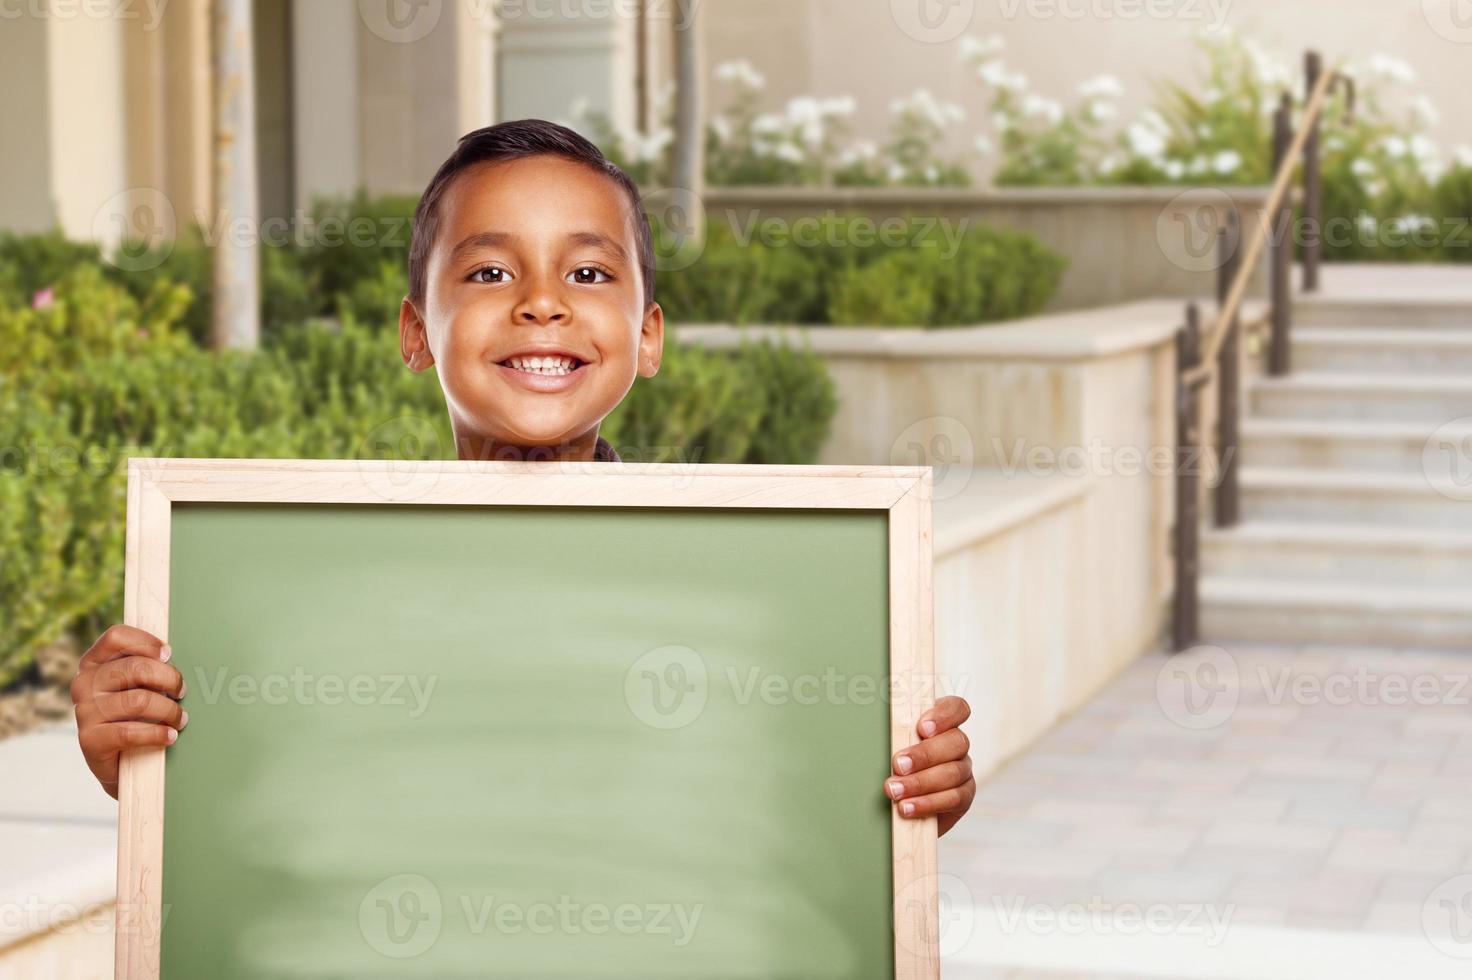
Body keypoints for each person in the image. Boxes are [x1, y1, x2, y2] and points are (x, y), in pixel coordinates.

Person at [72, 119, 976, 836]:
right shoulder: (314, 590)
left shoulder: (753, 588)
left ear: (648, 334)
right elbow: (275, 815)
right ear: (416, 331)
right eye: (491, 270)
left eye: (587, 271)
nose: (542, 302)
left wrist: (911, 795)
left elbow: (789, 805)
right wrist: (143, 764)